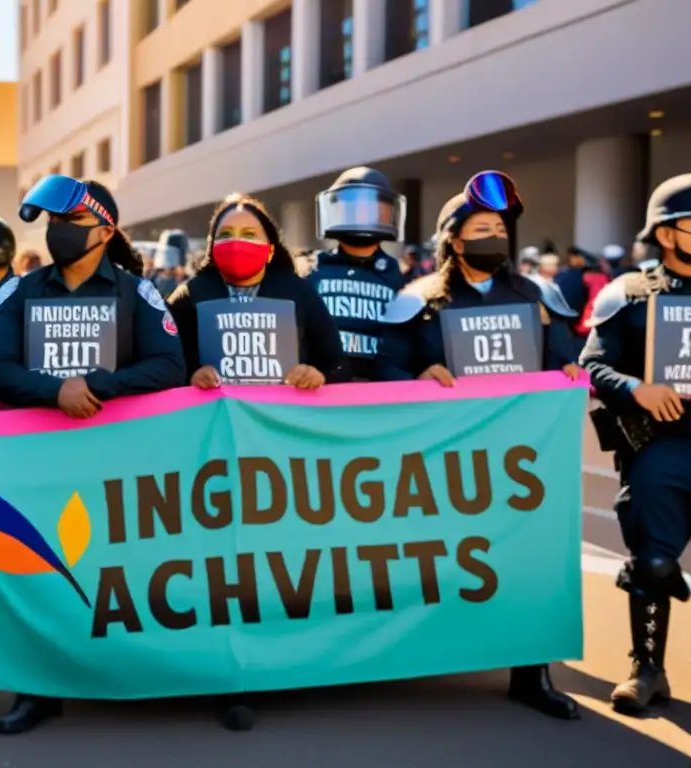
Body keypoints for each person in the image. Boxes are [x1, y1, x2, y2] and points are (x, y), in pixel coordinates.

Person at [375, 171, 580, 721]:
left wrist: (560, 356)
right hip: (444, 454)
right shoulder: (418, 300)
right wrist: (420, 376)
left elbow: (564, 363)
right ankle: (429, 659)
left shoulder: (539, 295)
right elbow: (386, 366)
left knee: (529, 557)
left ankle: (530, 673)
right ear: (455, 240)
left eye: (500, 228)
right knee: (444, 555)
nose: (495, 237)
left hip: (521, 454)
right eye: (481, 228)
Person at [0, 174, 186, 733]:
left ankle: (127, 675)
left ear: (104, 230)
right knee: (41, 574)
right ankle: (38, 687)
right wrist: (55, 391)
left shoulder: (136, 291)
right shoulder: (16, 292)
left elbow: (169, 364)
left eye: (71, 223)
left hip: (117, 458)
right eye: (54, 223)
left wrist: (95, 383)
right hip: (35, 460)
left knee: (118, 573)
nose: (59, 233)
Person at [579, 173, 691, 716]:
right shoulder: (629, 292)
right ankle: (648, 669)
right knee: (651, 560)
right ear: (668, 234)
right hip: (661, 445)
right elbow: (592, 366)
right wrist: (637, 390)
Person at [168, 193, 345, 393]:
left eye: (249, 234)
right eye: (225, 235)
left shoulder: (300, 293)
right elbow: (163, 364)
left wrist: (317, 376)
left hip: (281, 417)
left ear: (270, 250)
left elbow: (336, 364)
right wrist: (191, 376)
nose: (236, 243)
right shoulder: (189, 296)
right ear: (212, 246)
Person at [305, 167, 406, 381]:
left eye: (372, 209)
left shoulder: (401, 278)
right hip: (322, 388)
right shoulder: (312, 271)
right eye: (352, 208)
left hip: (378, 392)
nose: (362, 216)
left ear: (389, 214)